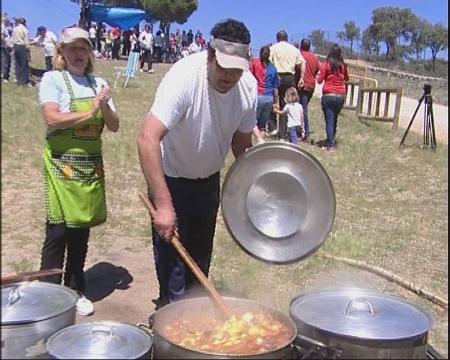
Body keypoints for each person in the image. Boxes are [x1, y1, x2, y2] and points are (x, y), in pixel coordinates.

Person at [137, 18, 256, 310]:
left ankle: (195, 318)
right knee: (172, 262)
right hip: (172, 179)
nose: (229, 76)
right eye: (223, 67)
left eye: (236, 70)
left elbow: (241, 145)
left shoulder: (248, 89)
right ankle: (171, 323)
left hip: (208, 180)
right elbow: (147, 139)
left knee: (200, 259)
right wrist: (163, 205)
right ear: (210, 56)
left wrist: (258, 183)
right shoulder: (184, 77)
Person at [38, 26, 119, 316]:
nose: (78, 54)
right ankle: (47, 295)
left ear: (89, 53)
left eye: (83, 48)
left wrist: (104, 104)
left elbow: (113, 125)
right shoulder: (53, 80)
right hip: (60, 164)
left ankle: (75, 289)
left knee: (80, 230)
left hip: (89, 167)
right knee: (58, 231)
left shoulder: (99, 82)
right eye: (72, 48)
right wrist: (91, 109)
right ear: (61, 52)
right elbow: (52, 117)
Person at [269, 30, 305, 140]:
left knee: (272, 101)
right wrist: (302, 77)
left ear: (277, 38)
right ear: (287, 38)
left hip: (277, 75)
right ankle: (282, 134)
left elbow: (268, 63)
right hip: (289, 77)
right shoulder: (293, 49)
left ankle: (273, 126)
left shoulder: (273, 48)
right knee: (286, 104)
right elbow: (302, 62)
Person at [316, 44, 349, 151]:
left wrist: (319, 76)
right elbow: (347, 78)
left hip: (329, 95)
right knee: (334, 119)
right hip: (340, 95)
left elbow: (320, 80)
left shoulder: (327, 64)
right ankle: (331, 139)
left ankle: (330, 144)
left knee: (329, 120)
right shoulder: (342, 66)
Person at [249, 45, 280, 137]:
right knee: (262, 125)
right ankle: (261, 140)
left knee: (252, 121)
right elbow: (275, 87)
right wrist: (276, 101)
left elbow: (249, 76)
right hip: (269, 97)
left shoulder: (255, 63)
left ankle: (255, 139)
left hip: (258, 95)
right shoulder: (273, 68)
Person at [297, 38, 320, 141]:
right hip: (311, 86)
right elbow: (318, 70)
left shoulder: (298, 55)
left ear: (301, 46)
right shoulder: (314, 57)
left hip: (302, 85)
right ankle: (301, 130)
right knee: (302, 108)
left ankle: (305, 132)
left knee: (302, 109)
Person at [11, 16, 30, 86]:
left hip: (16, 46)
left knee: (17, 63)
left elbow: (12, 38)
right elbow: (26, 40)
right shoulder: (25, 29)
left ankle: (18, 79)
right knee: (24, 64)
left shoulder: (15, 29)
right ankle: (24, 81)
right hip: (22, 46)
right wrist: (28, 49)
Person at [1, 15, 13, 82]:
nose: (8, 22)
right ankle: (3, 76)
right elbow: (1, 36)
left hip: (7, 46)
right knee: (5, 61)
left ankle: (5, 76)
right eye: (7, 21)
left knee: (7, 61)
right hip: (4, 46)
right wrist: (5, 43)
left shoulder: (5, 28)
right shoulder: (2, 27)